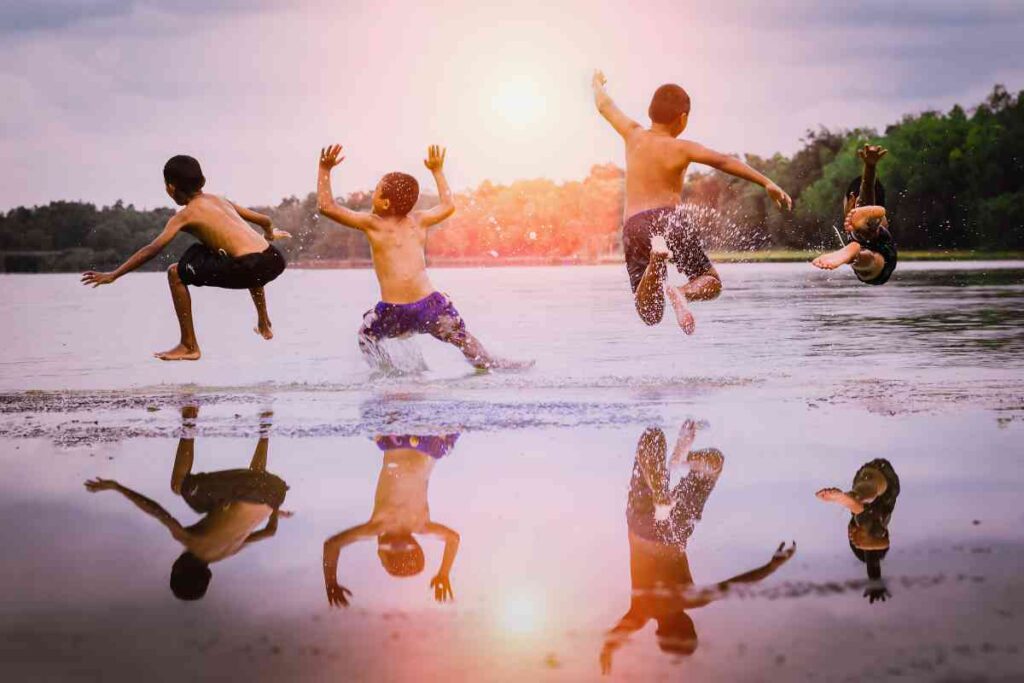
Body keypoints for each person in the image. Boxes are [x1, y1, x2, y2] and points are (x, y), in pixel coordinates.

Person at [591, 71, 793, 333]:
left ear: (650, 112)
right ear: (682, 118)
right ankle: (681, 292)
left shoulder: (633, 134)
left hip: (636, 224)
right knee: (710, 281)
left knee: (650, 313)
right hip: (670, 220)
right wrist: (767, 182)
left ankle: (656, 261)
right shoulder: (683, 148)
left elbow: (604, 105)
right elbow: (724, 161)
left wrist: (597, 83)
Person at [600, 423, 796, 674]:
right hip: (641, 528)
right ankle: (660, 487)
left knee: (713, 462)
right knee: (652, 438)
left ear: (689, 625)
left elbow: (738, 584)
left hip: (674, 531)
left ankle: (679, 466)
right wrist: (608, 649)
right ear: (659, 631)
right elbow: (615, 637)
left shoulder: (692, 599)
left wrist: (772, 565)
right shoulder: (641, 612)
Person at [317, 144, 525, 371]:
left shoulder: (372, 224)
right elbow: (448, 205)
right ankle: (491, 363)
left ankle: (391, 374)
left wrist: (324, 169)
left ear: (385, 203)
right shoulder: (420, 221)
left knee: (366, 338)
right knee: (461, 338)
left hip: (393, 311)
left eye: (375, 192)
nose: (371, 196)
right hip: (429, 306)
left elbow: (327, 206)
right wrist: (437, 171)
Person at [81, 155, 291, 361]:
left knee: (175, 272)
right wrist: (270, 234)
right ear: (201, 181)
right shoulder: (220, 200)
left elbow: (152, 249)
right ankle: (264, 321)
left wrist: (114, 275)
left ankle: (189, 345)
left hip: (248, 267)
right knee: (229, 254)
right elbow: (265, 219)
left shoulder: (185, 215)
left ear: (170, 188)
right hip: (273, 258)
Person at [83, 405, 291, 600]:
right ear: (178, 569)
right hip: (251, 490)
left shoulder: (229, 551)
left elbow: (269, 532)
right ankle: (189, 418)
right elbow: (158, 512)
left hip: (275, 494)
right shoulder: (192, 543)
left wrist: (273, 510)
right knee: (179, 486)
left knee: (220, 498)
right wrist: (117, 487)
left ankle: (264, 429)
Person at [322, 432, 461, 607]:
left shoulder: (421, 525)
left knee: (447, 432)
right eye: (382, 560)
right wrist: (331, 583)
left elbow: (453, 539)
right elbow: (331, 545)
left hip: (432, 447)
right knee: (378, 422)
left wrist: (443, 573)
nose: (378, 555)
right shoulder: (378, 525)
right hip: (393, 442)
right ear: (387, 552)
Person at [816, 458, 901, 603]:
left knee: (862, 510)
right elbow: (874, 557)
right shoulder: (877, 523)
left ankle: (855, 496)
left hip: (865, 479)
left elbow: (872, 558)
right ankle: (855, 497)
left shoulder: (859, 518)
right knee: (869, 519)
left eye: (853, 535)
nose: (854, 534)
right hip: (881, 480)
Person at [812, 144, 898, 285]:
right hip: (878, 258)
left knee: (864, 232)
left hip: (873, 256)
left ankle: (855, 254)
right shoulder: (866, 224)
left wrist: (870, 167)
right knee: (866, 230)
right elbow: (868, 191)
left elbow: (868, 191)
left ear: (849, 201)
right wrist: (870, 167)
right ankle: (855, 254)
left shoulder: (858, 223)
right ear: (852, 201)